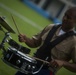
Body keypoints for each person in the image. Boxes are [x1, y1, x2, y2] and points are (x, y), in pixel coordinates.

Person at [15, 7, 76, 75]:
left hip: (46, 71)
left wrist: (63, 63)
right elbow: (34, 43)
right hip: (32, 62)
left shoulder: (74, 41)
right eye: (65, 15)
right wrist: (25, 39)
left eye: (69, 17)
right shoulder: (51, 27)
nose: (65, 18)